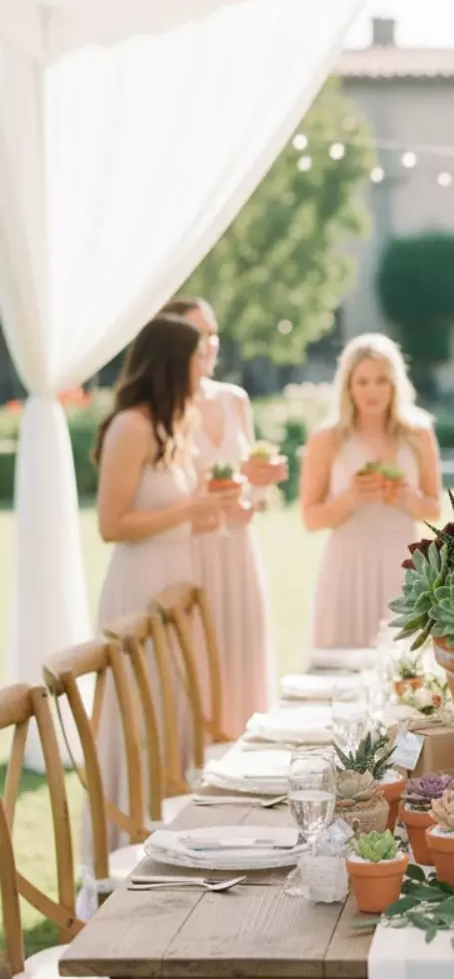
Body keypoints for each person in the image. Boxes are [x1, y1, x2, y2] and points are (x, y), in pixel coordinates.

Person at [89, 315, 232, 859]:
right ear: (173, 364)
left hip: (177, 582)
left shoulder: (174, 424)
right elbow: (111, 524)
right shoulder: (131, 426)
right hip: (138, 588)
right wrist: (190, 507)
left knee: (172, 713)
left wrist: (213, 508)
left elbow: (177, 516)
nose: (207, 366)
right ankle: (121, 847)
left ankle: (169, 845)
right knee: (134, 721)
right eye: (198, 357)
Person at [159, 296, 283, 738]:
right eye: (198, 334)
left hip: (239, 552)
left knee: (242, 661)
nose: (210, 343)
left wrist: (261, 483)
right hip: (188, 553)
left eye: (213, 332)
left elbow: (253, 489)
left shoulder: (235, 400)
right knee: (194, 667)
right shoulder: (159, 407)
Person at [302, 333, 441, 648]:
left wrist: (405, 496)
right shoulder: (327, 438)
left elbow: (433, 509)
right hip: (346, 562)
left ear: (395, 384)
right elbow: (310, 519)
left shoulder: (419, 433)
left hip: (402, 558)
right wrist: (352, 497)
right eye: (362, 381)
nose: (372, 391)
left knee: (404, 666)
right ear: (348, 385)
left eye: (381, 380)